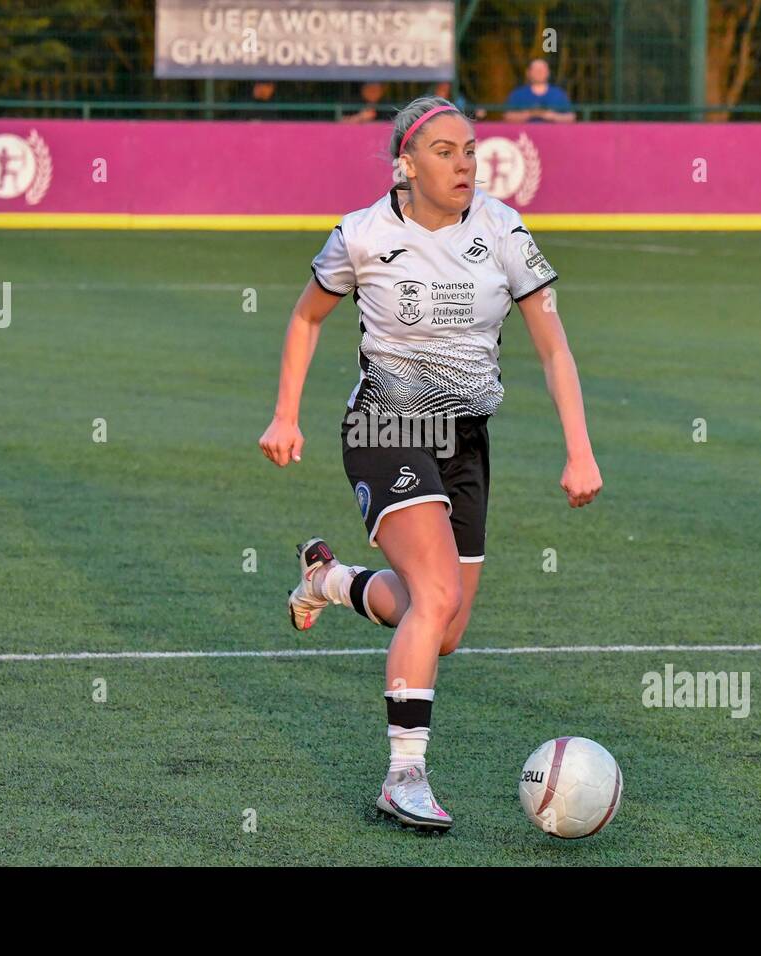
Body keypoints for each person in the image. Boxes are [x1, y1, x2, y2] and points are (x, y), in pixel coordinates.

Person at [258, 96, 602, 831]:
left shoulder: (504, 229)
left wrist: (580, 450)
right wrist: (286, 413)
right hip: (384, 424)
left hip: (466, 443)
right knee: (436, 593)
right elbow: (305, 317)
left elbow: (553, 347)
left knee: (439, 625)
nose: (464, 164)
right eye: (444, 151)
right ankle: (403, 777)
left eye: (471, 149)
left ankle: (330, 579)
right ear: (404, 165)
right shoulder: (362, 234)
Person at [504, 58, 574, 123]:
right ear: (528, 73)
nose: (539, 72)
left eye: (542, 70)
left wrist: (552, 116)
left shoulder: (559, 94)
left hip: (553, 134)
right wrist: (530, 114)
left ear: (548, 73)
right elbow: (507, 116)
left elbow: (570, 117)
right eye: (536, 70)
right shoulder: (517, 94)